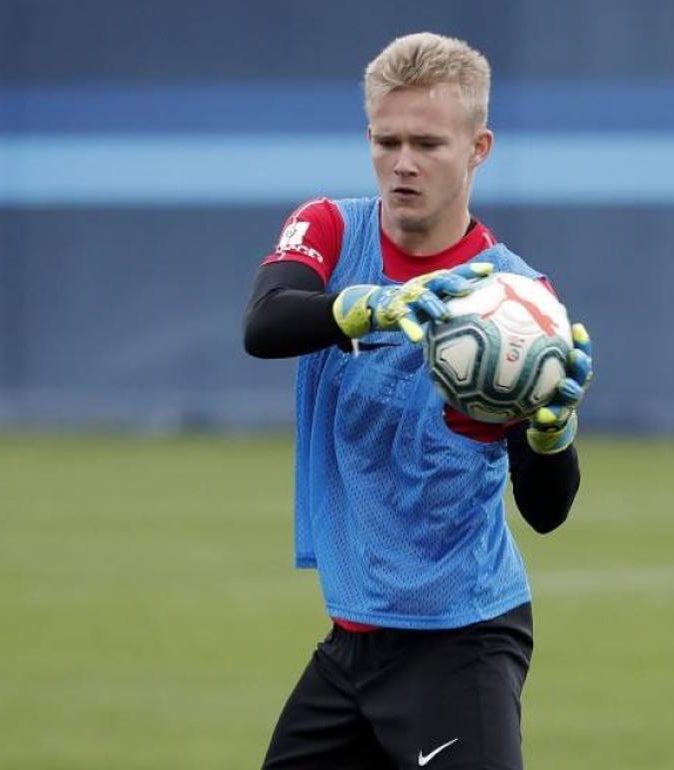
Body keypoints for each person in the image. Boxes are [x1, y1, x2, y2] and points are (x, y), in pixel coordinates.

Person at [242, 31, 592, 769]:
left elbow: (546, 512)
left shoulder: (516, 306)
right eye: (386, 139)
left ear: (479, 148)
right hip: (353, 639)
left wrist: (550, 436)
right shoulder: (333, 232)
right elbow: (266, 323)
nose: (402, 164)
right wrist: (370, 305)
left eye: (428, 144)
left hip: (459, 641)